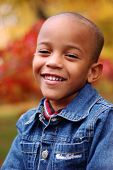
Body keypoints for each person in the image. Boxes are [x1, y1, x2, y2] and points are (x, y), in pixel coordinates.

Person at [1, 12, 113, 170]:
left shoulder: (104, 121)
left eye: (71, 55)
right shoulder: (28, 123)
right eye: (44, 52)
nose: (53, 62)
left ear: (92, 72)